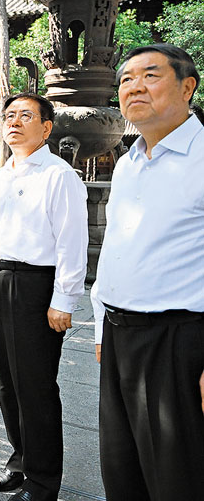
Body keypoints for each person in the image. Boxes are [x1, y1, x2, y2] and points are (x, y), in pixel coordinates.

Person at [91, 44, 204, 501]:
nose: (134, 86)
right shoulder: (129, 162)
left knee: (176, 479)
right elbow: (118, 249)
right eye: (125, 79)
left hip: (177, 342)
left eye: (150, 75)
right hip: (120, 336)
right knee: (122, 471)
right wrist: (102, 327)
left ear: (187, 87)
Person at [0, 92, 88, 501]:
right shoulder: (0, 175)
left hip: (34, 286)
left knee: (35, 386)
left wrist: (65, 299)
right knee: (7, 382)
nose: (14, 122)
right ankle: (21, 463)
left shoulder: (59, 176)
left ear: (46, 127)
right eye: (9, 115)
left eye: (26, 115)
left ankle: (43, 483)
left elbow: (72, 242)